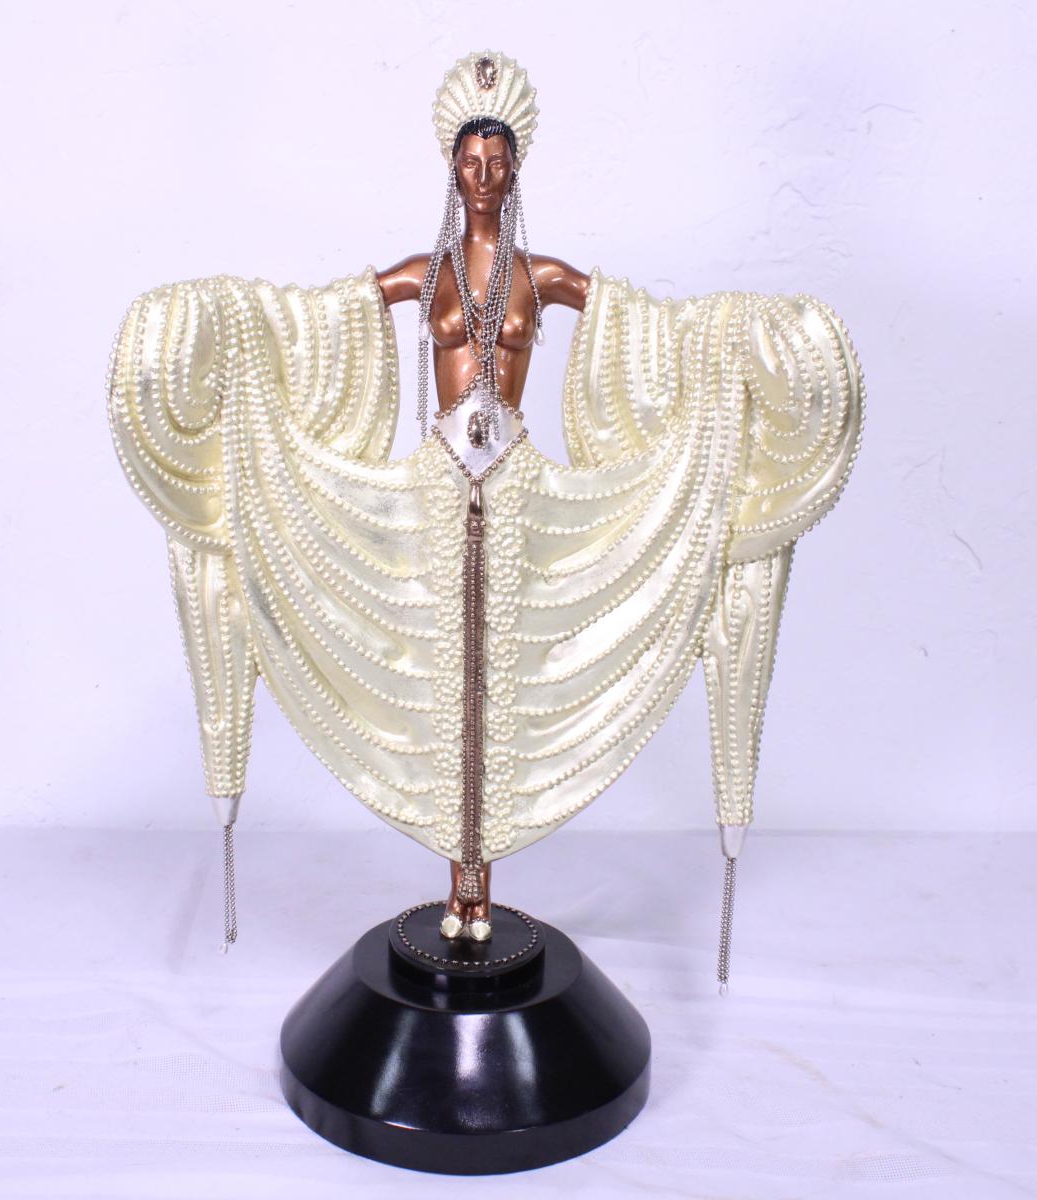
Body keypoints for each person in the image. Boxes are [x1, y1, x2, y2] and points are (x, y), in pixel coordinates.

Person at [108, 51, 864, 981]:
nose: (483, 175)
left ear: (516, 167)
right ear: (450, 165)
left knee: (502, 678)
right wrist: (227, 319)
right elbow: (308, 317)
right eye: (470, 160)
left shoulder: (540, 276)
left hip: (516, 484)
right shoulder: (423, 275)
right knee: (436, 672)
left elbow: (647, 325)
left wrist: (729, 337)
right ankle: (461, 887)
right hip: (437, 485)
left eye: (498, 160)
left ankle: (480, 882)